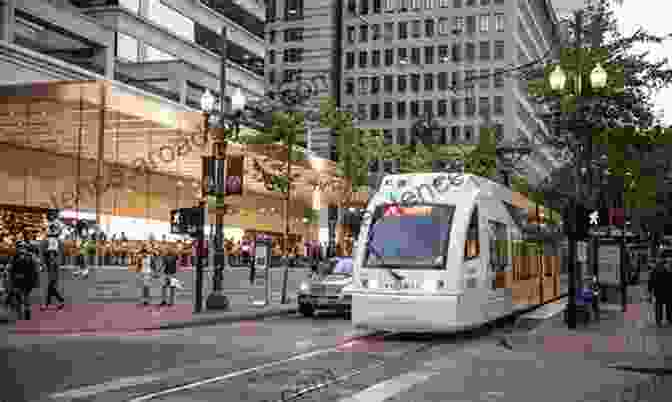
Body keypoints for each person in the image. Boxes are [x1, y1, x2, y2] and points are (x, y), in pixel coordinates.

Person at [8, 240, 40, 320]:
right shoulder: (14, 256)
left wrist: (35, 280)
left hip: (27, 279)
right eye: (19, 247)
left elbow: (35, 269)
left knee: (25, 296)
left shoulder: (30, 256)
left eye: (22, 247)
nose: (21, 249)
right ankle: (22, 312)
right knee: (19, 295)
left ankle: (26, 311)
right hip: (18, 279)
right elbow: (11, 268)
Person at [42, 236, 65, 310]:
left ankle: (49, 304)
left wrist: (53, 278)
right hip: (51, 277)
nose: (51, 255)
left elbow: (55, 270)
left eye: (52, 253)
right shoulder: (49, 261)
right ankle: (60, 301)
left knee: (50, 288)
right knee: (50, 289)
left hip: (53, 277)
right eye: (49, 254)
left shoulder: (55, 262)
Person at [648, 259, 668, 326]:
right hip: (666, 290)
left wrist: (650, 291)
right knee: (668, 305)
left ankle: (658, 320)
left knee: (658, 305)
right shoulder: (666, 270)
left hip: (657, 290)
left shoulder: (654, 270)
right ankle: (669, 318)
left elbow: (651, 281)